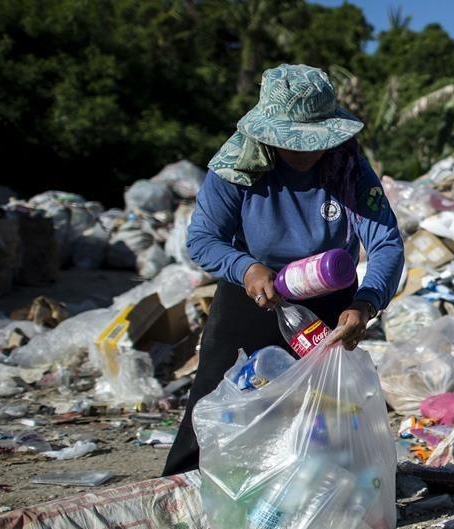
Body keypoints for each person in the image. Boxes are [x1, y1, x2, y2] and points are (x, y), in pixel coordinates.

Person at [162, 64, 403, 476]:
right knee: (214, 399)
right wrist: (246, 267)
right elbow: (203, 239)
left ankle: (337, 501)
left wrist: (365, 303)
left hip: (329, 293)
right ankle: (184, 492)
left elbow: (385, 242)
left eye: (315, 142)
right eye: (293, 143)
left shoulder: (347, 166)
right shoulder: (236, 166)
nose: (306, 152)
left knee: (330, 412)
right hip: (253, 290)